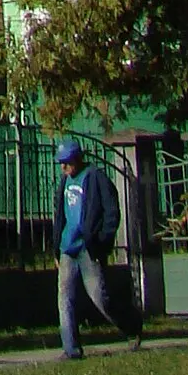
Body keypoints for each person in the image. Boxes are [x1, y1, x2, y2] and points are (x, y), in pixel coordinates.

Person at [55, 135, 142, 357]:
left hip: (88, 248)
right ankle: (71, 349)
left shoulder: (95, 177)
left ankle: (131, 328)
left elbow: (112, 211)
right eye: (61, 162)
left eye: (67, 161)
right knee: (65, 299)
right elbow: (60, 214)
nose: (64, 167)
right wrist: (56, 246)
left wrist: (103, 240)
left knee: (100, 297)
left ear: (78, 158)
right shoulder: (65, 181)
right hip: (68, 248)